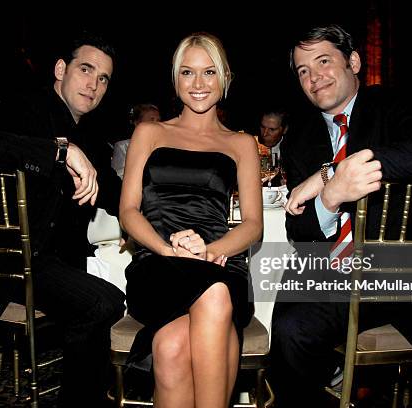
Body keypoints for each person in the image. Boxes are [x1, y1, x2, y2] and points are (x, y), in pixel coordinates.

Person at [271, 24, 412, 407]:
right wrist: (329, 198)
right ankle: (326, 385)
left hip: (405, 279)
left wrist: (332, 174)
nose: (313, 77)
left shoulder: (391, 104)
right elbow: (298, 228)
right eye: (303, 70)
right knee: (286, 327)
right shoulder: (300, 138)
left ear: (353, 61)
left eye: (323, 61)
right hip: (336, 281)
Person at [0, 31, 125, 407]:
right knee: (103, 303)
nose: (94, 85)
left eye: (103, 78)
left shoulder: (88, 132)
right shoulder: (27, 107)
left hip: (48, 264)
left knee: (123, 275)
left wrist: (163, 213)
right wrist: (60, 151)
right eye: (86, 70)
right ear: (60, 69)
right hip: (3, 265)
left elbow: (118, 194)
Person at [119, 32, 262, 408]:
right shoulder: (149, 132)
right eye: (187, 72)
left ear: (225, 78)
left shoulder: (242, 143)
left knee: (169, 346)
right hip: (157, 264)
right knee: (211, 299)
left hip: (218, 263)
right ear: (175, 78)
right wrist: (168, 249)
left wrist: (211, 251)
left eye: (209, 72)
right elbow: (128, 210)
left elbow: (252, 224)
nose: (198, 84)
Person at [111, 103, 161, 179]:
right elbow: (118, 175)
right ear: (137, 123)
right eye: (152, 119)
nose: (157, 123)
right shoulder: (123, 146)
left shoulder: (163, 145)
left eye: (158, 120)